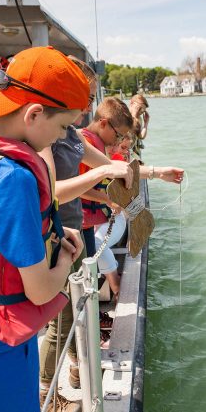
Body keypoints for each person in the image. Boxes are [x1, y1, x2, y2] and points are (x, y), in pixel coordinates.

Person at [0, 46, 89, 412]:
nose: (61, 139)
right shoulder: (15, 178)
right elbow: (41, 290)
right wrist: (65, 258)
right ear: (34, 113)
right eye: (62, 127)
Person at [38, 60, 133, 412]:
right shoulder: (46, 139)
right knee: (60, 317)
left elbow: (103, 170)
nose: (86, 106)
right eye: (84, 97)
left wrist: (154, 173)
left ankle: (76, 368)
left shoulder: (72, 134)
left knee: (75, 308)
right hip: (57, 237)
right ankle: (47, 390)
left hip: (72, 235)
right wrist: (106, 179)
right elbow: (50, 191)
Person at [79, 97, 134, 299]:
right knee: (89, 258)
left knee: (91, 259)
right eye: (118, 135)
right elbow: (79, 186)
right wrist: (108, 200)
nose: (118, 142)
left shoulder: (95, 145)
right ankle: (115, 288)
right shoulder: (87, 144)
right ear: (103, 123)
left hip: (89, 221)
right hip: (81, 223)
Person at [129, 94, 149, 158]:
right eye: (139, 108)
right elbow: (130, 138)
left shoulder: (139, 118)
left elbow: (141, 136)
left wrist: (146, 123)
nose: (140, 112)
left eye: (143, 111)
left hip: (135, 152)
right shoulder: (124, 117)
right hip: (127, 151)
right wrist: (134, 116)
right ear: (131, 104)